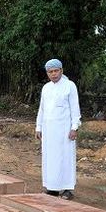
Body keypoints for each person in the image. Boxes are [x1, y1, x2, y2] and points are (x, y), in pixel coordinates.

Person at [35, 58, 81, 200]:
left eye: (56, 71)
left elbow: (75, 108)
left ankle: (67, 189)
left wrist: (74, 127)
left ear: (61, 70)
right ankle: (52, 188)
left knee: (65, 158)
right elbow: (42, 109)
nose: (53, 74)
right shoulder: (46, 88)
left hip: (64, 131)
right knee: (50, 159)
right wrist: (38, 127)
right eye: (50, 72)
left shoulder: (69, 86)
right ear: (47, 73)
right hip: (49, 131)